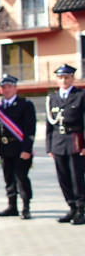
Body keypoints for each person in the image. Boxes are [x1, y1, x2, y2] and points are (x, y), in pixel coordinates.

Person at [0, 74, 36, 219]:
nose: (6, 89)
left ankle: (26, 207)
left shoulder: (25, 104)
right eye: (3, 87)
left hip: (20, 148)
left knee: (21, 178)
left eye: (9, 86)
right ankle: (12, 206)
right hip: (4, 148)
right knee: (8, 178)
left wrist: (27, 149)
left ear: (15, 88)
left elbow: (30, 129)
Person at [46, 64, 85, 224]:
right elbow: (50, 126)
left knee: (77, 178)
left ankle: (81, 209)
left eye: (67, 77)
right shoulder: (53, 98)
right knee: (63, 178)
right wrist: (49, 147)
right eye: (61, 77)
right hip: (58, 142)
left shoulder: (81, 95)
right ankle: (71, 207)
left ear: (72, 78)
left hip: (75, 141)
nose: (64, 80)